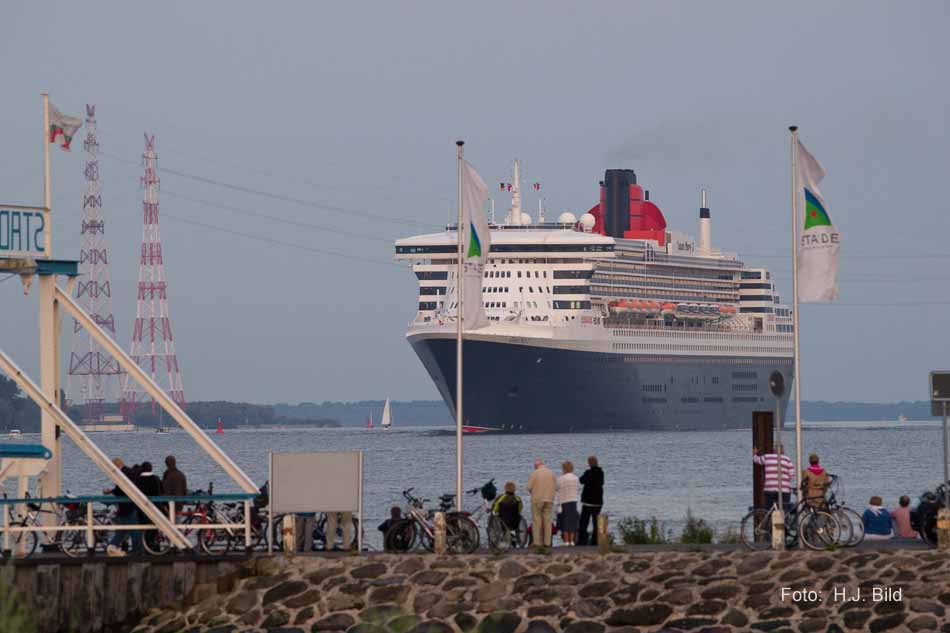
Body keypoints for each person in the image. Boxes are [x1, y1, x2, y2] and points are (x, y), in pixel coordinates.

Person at [103, 458, 141, 556]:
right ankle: (113, 546)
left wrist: (110, 491)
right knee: (124, 528)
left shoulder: (122, 473)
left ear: (116, 465)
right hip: (131, 505)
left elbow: (121, 490)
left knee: (132, 529)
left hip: (126, 506)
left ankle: (135, 550)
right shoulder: (129, 471)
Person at [526, 458, 557, 551]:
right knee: (547, 521)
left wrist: (533, 492)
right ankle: (547, 542)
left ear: (536, 466)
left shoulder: (535, 473)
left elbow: (529, 487)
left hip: (537, 500)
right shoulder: (551, 473)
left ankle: (537, 542)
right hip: (549, 499)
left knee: (537, 520)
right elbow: (556, 485)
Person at [753, 447, 795, 513]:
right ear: (782, 451)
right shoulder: (787, 459)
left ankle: (769, 521)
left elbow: (757, 460)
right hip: (784, 489)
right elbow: (792, 475)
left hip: (770, 488)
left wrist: (755, 454)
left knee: (768, 509)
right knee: (784, 510)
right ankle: (783, 521)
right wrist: (784, 480)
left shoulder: (767, 457)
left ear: (773, 450)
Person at [578, 456, 604, 546]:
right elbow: (601, 483)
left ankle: (582, 540)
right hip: (598, 502)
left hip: (588, 502)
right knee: (596, 522)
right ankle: (595, 541)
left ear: (589, 463)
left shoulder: (588, 472)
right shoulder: (601, 472)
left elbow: (581, 480)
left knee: (584, 522)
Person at [557, 461, 580, 546]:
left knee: (565, 522)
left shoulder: (561, 478)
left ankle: (566, 541)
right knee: (573, 521)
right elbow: (578, 488)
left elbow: (557, 488)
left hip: (564, 501)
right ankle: (572, 541)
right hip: (573, 501)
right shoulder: (576, 478)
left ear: (564, 468)